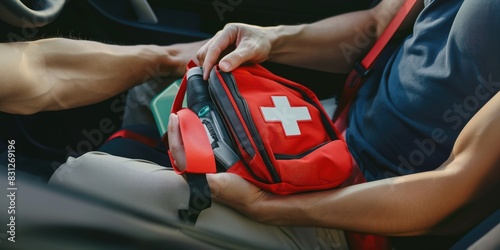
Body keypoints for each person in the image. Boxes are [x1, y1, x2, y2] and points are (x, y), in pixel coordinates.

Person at [2, 0, 499, 249]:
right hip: (322, 132)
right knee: (166, 78)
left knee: (62, 194)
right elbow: (377, 24)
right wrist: (272, 38)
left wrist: (263, 207)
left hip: (350, 219)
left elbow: (450, 196)